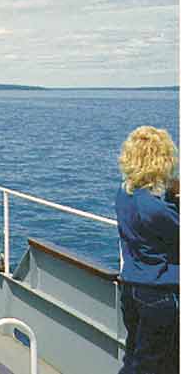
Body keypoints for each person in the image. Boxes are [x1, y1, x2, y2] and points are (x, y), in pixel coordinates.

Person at [115, 126, 179, 374]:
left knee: (135, 358)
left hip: (132, 289)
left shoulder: (125, 193)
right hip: (159, 293)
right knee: (154, 364)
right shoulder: (156, 208)